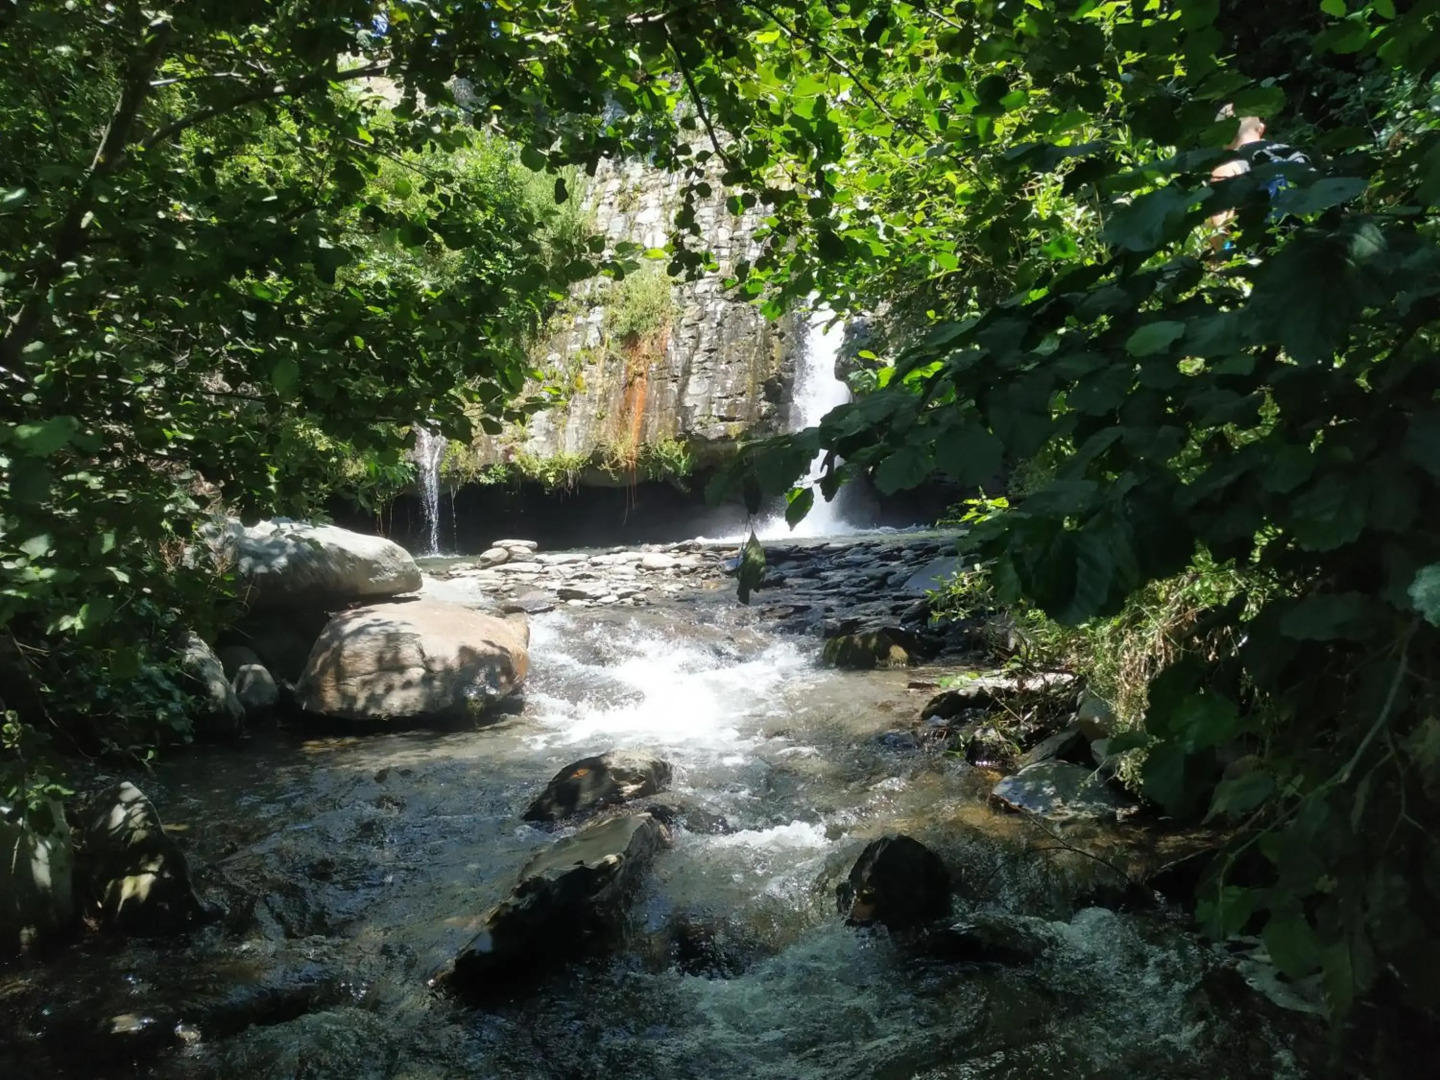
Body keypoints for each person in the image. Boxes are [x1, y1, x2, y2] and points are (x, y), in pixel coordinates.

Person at [1207, 105, 1311, 252]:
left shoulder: (1228, 169)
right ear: (1261, 128)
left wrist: (1220, 258)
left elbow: (1220, 232)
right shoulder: (1295, 156)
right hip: (1310, 247)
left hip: (1263, 256)